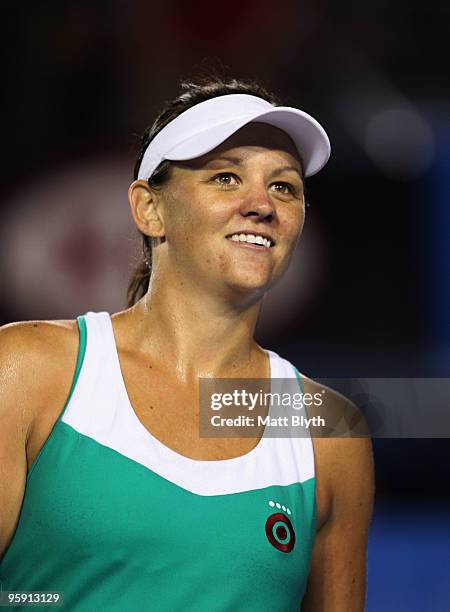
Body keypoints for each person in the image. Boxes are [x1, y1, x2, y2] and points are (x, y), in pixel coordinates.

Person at [0, 78, 374, 611]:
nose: (262, 205)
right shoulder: (27, 370)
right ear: (150, 209)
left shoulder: (329, 432)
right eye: (226, 177)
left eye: (285, 187)